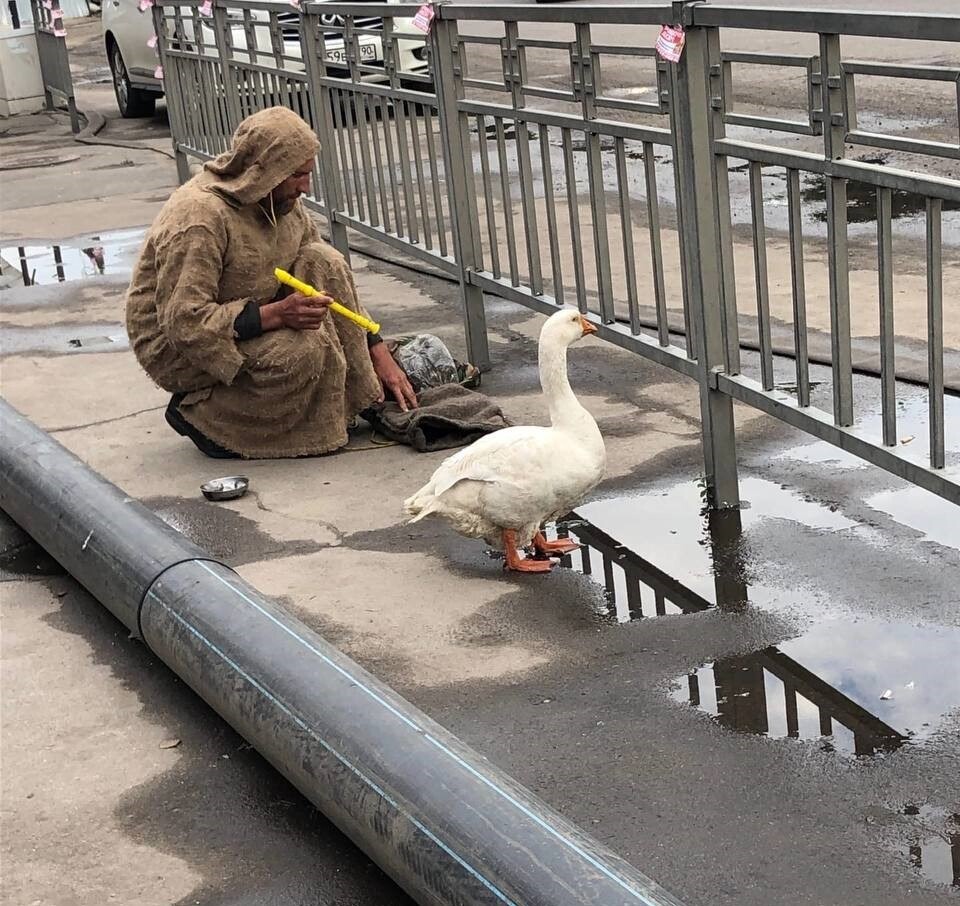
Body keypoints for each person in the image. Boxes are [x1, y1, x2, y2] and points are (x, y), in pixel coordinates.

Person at [125, 106, 417, 459]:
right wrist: (276, 315)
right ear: (265, 172)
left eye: (307, 174)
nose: (305, 187)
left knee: (325, 260)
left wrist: (376, 350)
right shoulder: (198, 218)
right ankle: (205, 417)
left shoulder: (279, 201)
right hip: (178, 347)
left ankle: (361, 395)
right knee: (305, 352)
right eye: (297, 175)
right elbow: (184, 321)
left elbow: (330, 279)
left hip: (249, 306)